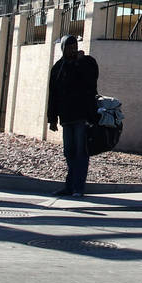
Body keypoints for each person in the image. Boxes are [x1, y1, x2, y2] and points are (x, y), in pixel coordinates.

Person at [46, 36, 99, 198]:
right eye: (69, 47)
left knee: (81, 152)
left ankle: (78, 187)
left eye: (74, 46)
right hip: (66, 117)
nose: (72, 49)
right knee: (69, 152)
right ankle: (70, 185)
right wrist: (52, 118)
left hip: (82, 116)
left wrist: (81, 62)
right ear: (63, 48)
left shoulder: (86, 62)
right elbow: (53, 95)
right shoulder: (58, 68)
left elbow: (92, 80)